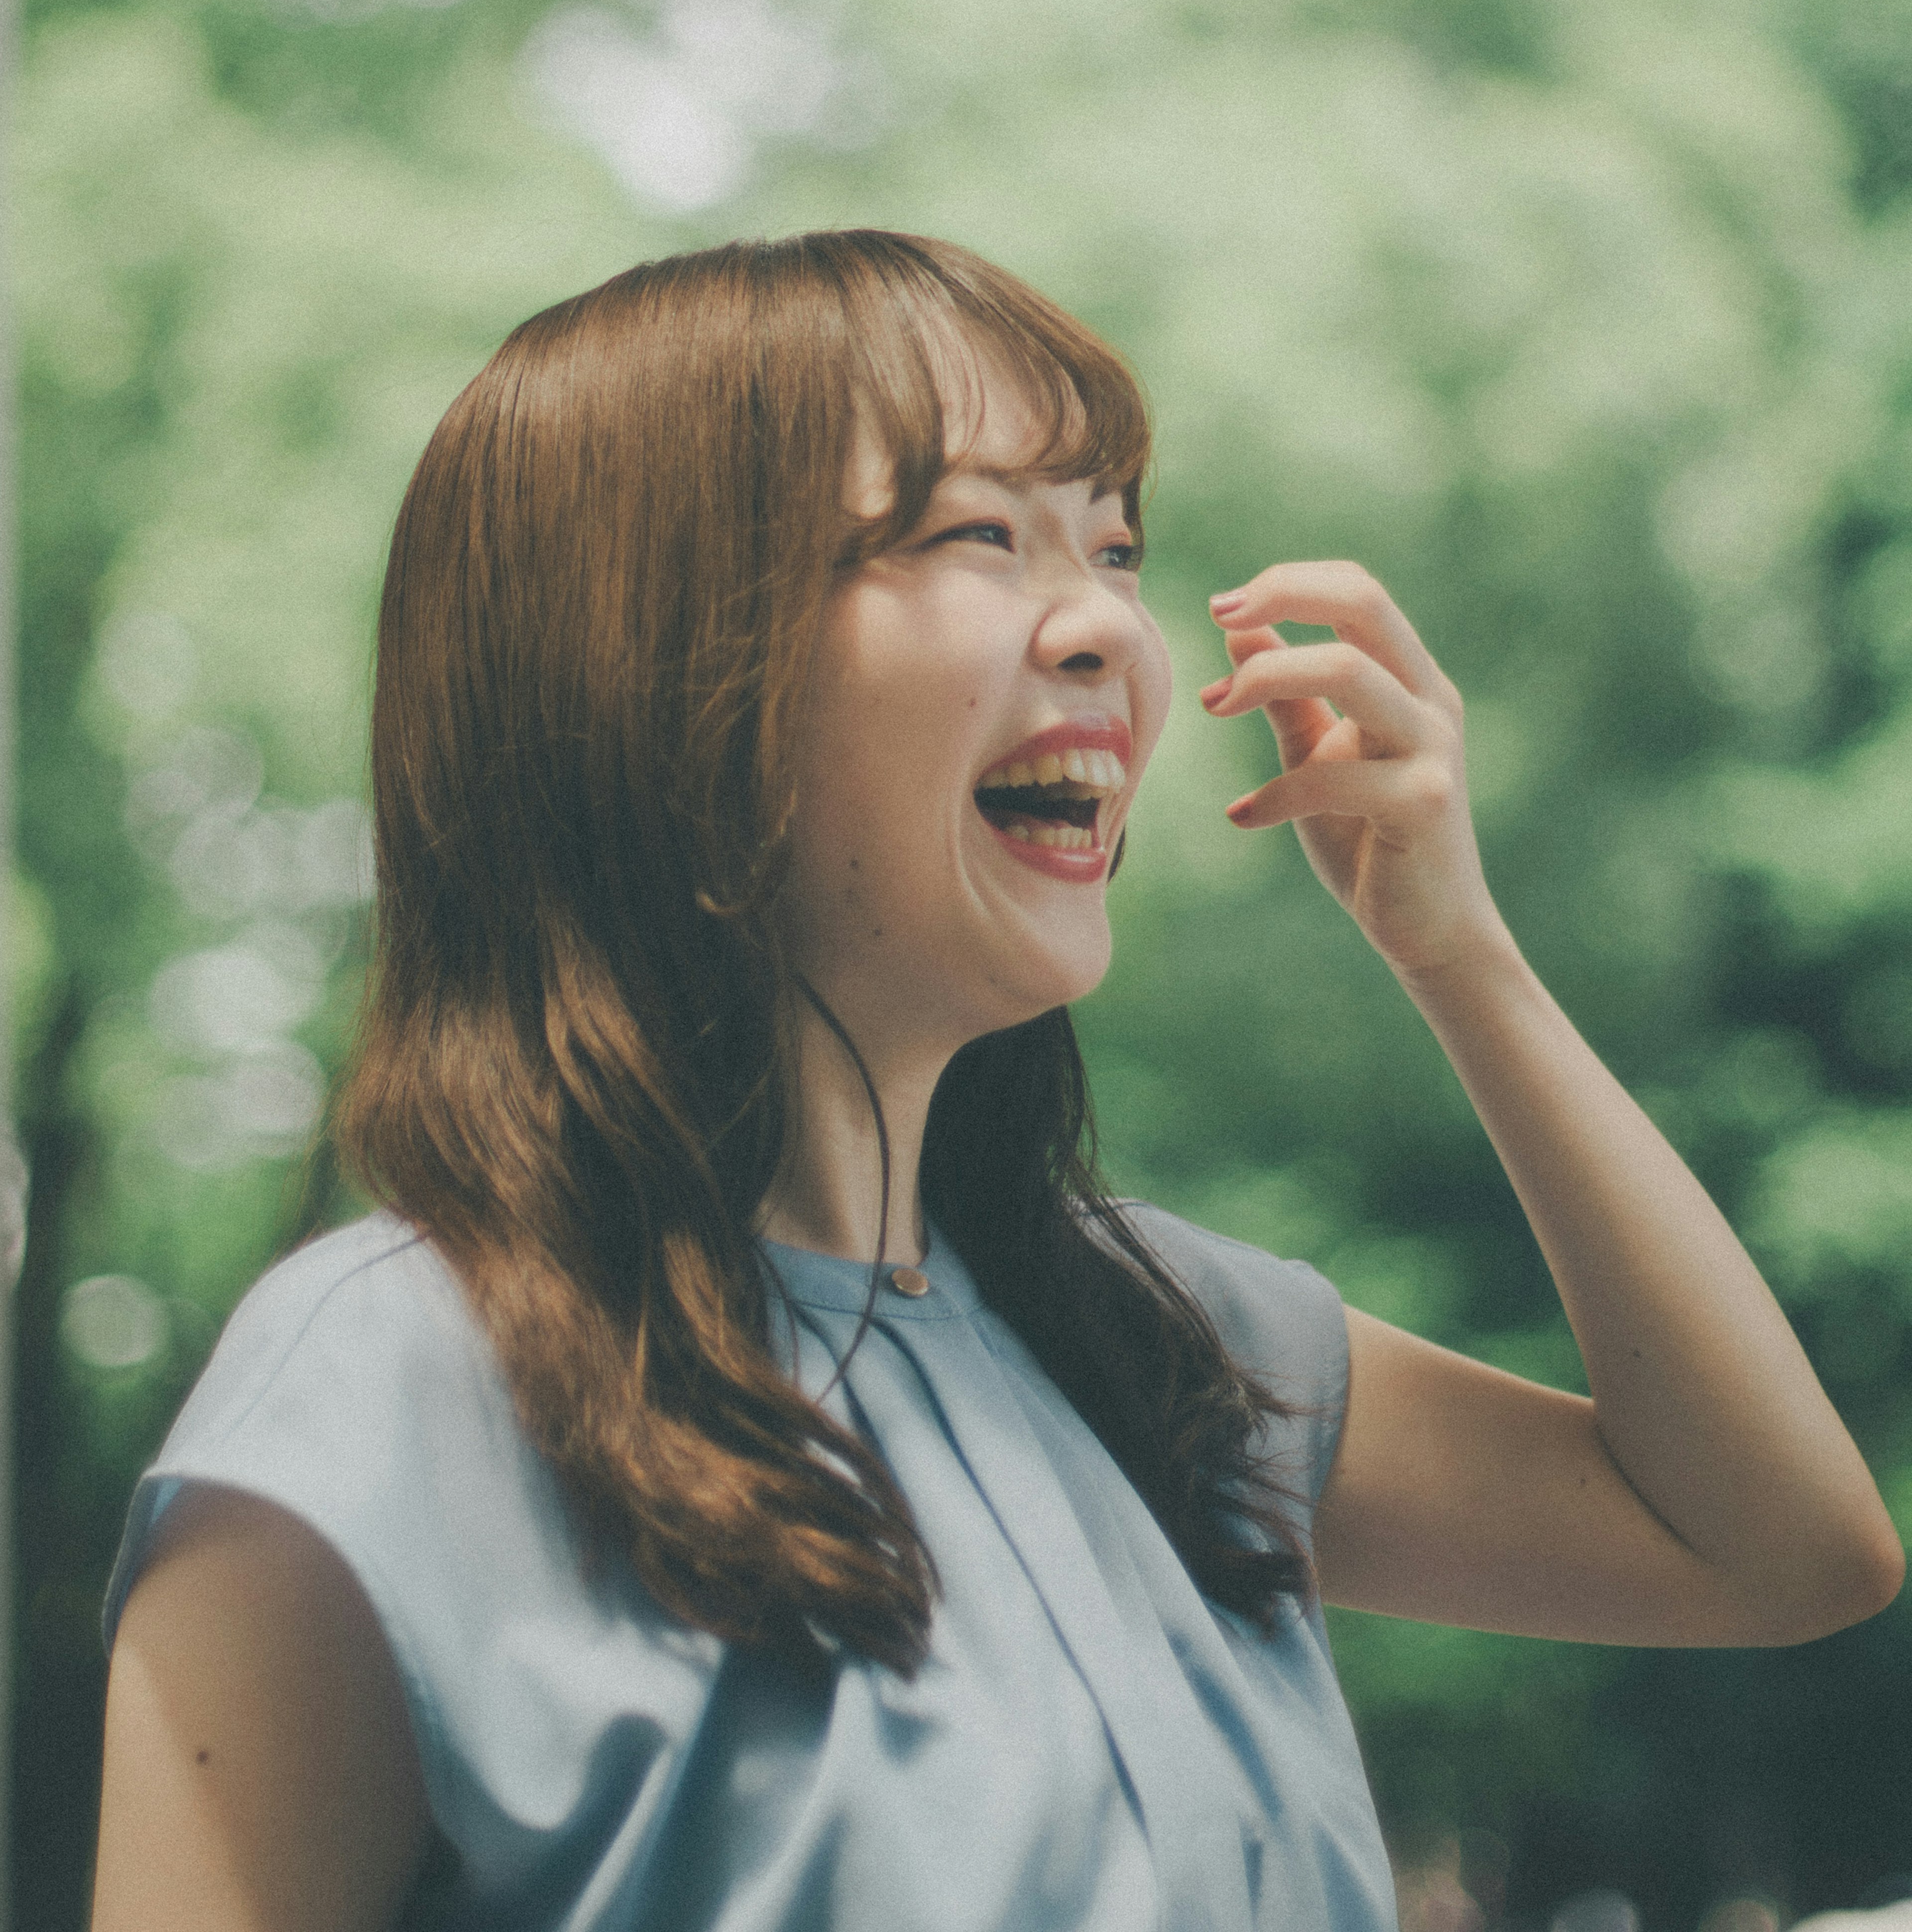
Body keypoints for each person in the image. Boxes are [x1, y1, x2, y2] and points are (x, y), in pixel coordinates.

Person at [90, 232, 1902, 1932]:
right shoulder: (384, 1396)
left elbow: (1776, 1550)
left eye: (1112, 548)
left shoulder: (1160, 1337)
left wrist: (1463, 957)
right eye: (978, 537)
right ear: (653, 666)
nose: (1113, 628)